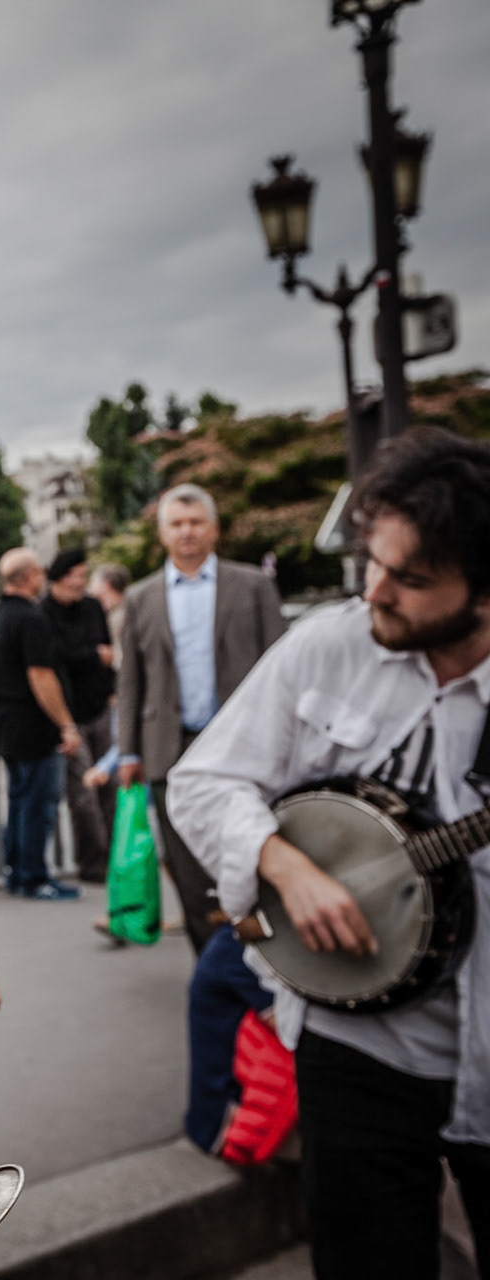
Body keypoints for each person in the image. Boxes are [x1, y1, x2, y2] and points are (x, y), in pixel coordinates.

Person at [168, 430, 490, 1279]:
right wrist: (284, 862)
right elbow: (204, 784)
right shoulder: (333, 646)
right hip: (358, 1052)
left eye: (410, 580)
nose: (374, 590)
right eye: (373, 562)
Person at [117, 484, 285, 954]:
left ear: (213, 529)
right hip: (168, 749)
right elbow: (131, 679)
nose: (186, 531)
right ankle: (211, 965)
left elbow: (281, 665)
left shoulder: (252, 585)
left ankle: (263, 961)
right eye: (177, 523)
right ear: (162, 532)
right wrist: (128, 750)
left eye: (195, 522)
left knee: (248, 853)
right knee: (188, 870)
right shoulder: (141, 597)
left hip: (242, 746)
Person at [0, 547, 82, 900]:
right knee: (39, 803)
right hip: (34, 726)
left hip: (5, 724)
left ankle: (17, 873)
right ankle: (35, 877)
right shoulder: (32, 619)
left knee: (20, 800)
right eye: (40, 571)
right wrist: (66, 724)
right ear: (29, 577)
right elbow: (41, 675)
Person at [41, 549, 115, 882]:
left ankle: (117, 855)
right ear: (58, 576)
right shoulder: (42, 613)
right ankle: (92, 862)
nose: (79, 583)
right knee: (82, 795)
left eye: (83, 577)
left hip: (100, 706)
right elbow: (56, 658)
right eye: (73, 576)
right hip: (69, 714)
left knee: (110, 787)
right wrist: (92, 656)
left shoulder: (93, 607)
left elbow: (107, 649)